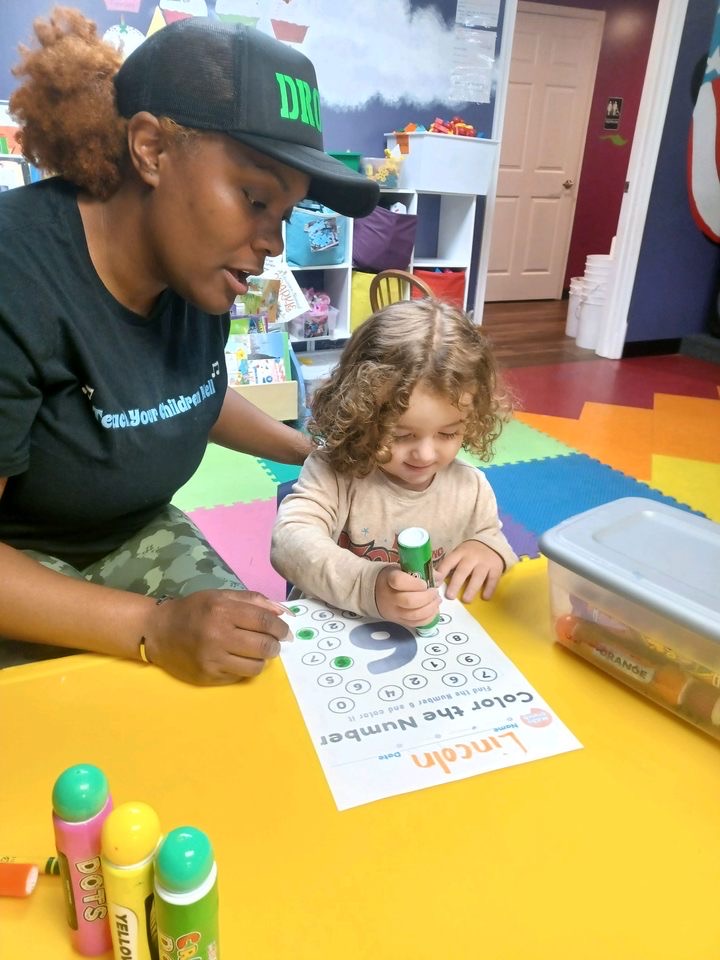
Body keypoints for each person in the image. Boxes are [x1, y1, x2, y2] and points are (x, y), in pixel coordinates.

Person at [0, 9, 379, 684]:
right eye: (255, 197)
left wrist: (315, 454)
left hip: (136, 529)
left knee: (253, 676)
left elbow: (189, 392)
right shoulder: (16, 278)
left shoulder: (196, 270)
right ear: (152, 149)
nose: (272, 243)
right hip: (20, 564)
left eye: (284, 215)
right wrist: (151, 627)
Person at [270, 299, 518, 629]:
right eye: (400, 435)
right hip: (338, 638)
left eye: (447, 433)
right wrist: (369, 586)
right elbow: (289, 541)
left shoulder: (471, 488)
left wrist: (490, 550)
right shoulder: (334, 473)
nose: (426, 455)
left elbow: (492, 539)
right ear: (360, 412)